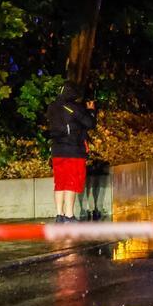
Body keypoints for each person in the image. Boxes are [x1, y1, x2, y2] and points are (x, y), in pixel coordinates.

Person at [45, 84, 96, 222]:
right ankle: (69, 216)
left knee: (60, 183)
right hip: (73, 150)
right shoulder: (73, 107)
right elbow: (89, 123)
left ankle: (59, 216)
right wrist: (91, 111)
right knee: (71, 183)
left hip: (57, 150)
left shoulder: (52, 107)